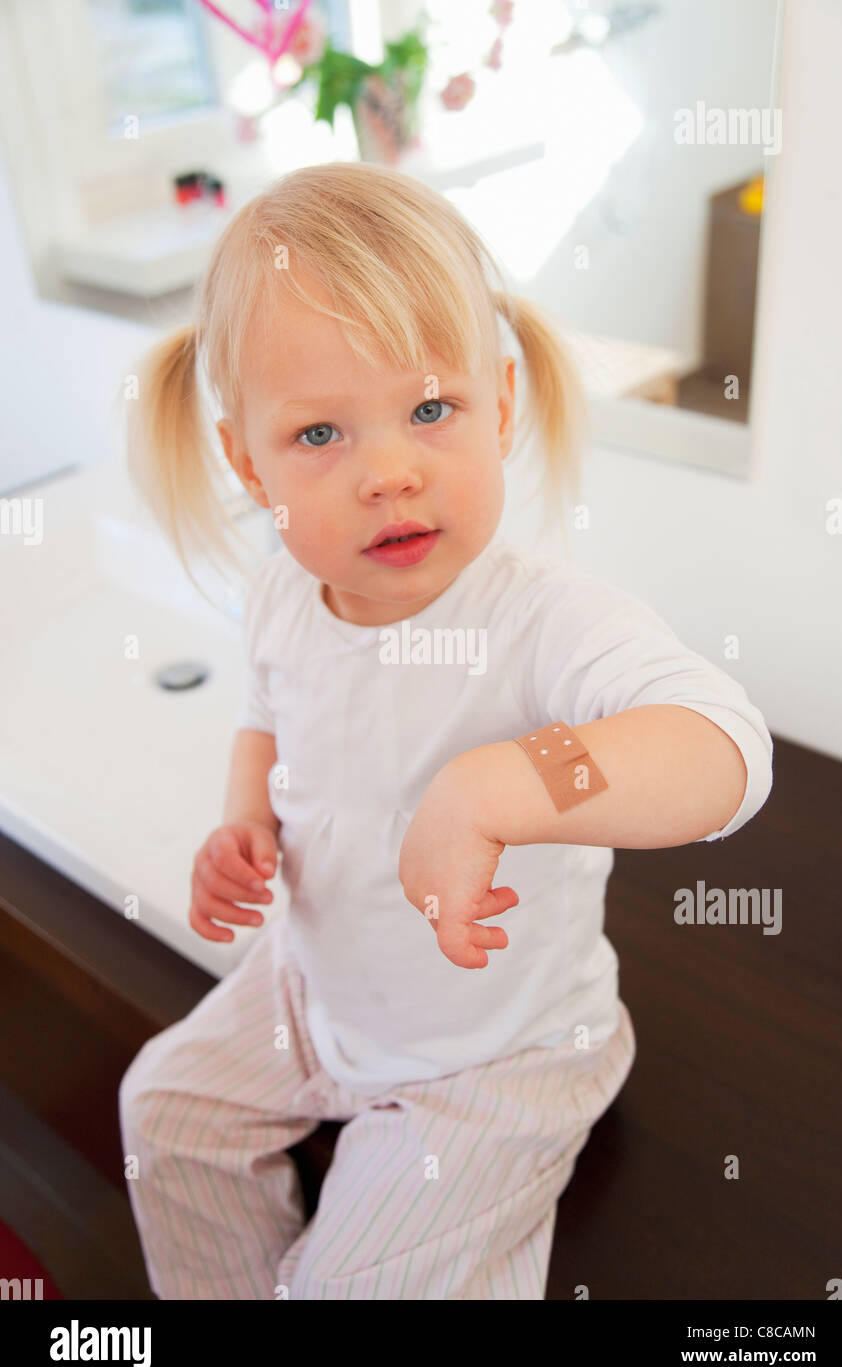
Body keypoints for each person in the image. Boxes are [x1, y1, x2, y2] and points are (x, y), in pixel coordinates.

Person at [119, 161, 773, 1300]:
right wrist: (241, 823)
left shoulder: (542, 621)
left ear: (502, 404)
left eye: (430, 410)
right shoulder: (282, 590)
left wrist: (505, 783)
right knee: (160, 1111)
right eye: (319, 433)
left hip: (498, 1055)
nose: (387, 472)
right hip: (314, 989)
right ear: (246, 462)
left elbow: (722, 748)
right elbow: (265, 716)